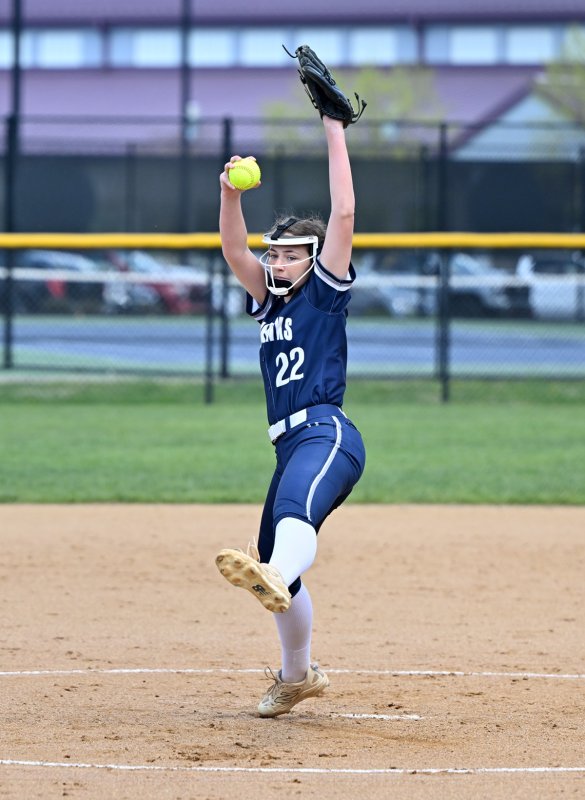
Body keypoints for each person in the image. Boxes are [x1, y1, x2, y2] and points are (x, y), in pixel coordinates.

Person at [215, 113, 366, 718]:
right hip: (287, 444)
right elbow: (232, 246)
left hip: (327, 433)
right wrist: (229, 195)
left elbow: (346, 215)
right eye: (273, 253)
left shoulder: (324, 291)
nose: (276, 262)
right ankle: (297, 675)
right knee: (275, 554)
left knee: (288, 524)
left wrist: (335, 129)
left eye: (288, 255)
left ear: (312, 258)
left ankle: (274, 571)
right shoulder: (266, 300)